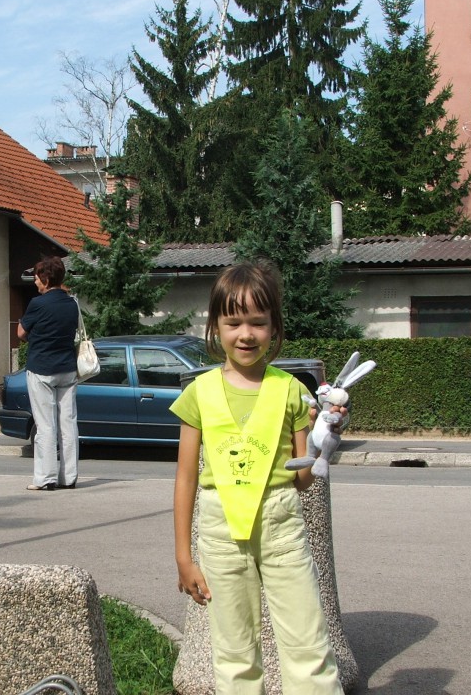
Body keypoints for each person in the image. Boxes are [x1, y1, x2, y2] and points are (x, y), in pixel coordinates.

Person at [170, 261, 345, 694]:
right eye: (233, 322)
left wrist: (323, 442)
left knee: (308, 643)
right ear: (215, 327)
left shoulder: (291, 391)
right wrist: (183, 557)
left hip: (281, 524)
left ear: (274, 327)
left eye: (258, 322)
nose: (245, 334)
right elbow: (186, 477)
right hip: (218, 530)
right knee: (232, 651)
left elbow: (303, 480)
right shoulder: (199, 392)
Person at [17, 256, 80, 491]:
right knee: (68, 424)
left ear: (45, 279)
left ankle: (46, 478)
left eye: (36, 278)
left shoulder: (37, 304)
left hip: (41, 369)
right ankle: (69, 477)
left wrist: (36, 337)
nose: (35, 283)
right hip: (67, 369)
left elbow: (21, 332)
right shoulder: (72, 303)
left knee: (45, 426)